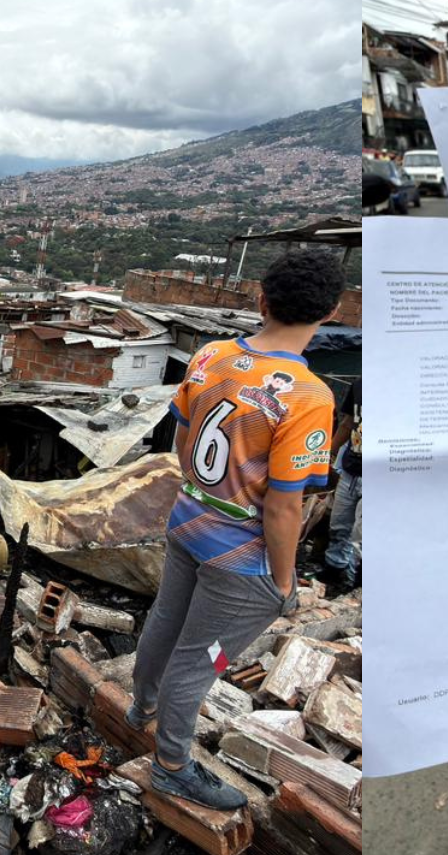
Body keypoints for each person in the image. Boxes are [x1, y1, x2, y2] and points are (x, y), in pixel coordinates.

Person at [129, 249, 341, 810]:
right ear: (331, 312)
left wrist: (204, 496)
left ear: (261, 300)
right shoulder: (308, 396)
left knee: (166, 624)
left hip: (187, 524)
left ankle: (140, 709)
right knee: (207, 660)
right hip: (241, 561)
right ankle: (172, 764)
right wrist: (283, 580)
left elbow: (180, 437)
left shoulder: (211, 356)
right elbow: (283, 506)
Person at [321, 376, 362, 597]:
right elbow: (347, 423)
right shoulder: (360, 384)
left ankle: (358, 589)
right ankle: (333, 577)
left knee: (362, 537)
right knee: (338, 526)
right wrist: (327, 453)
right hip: (350, 469)